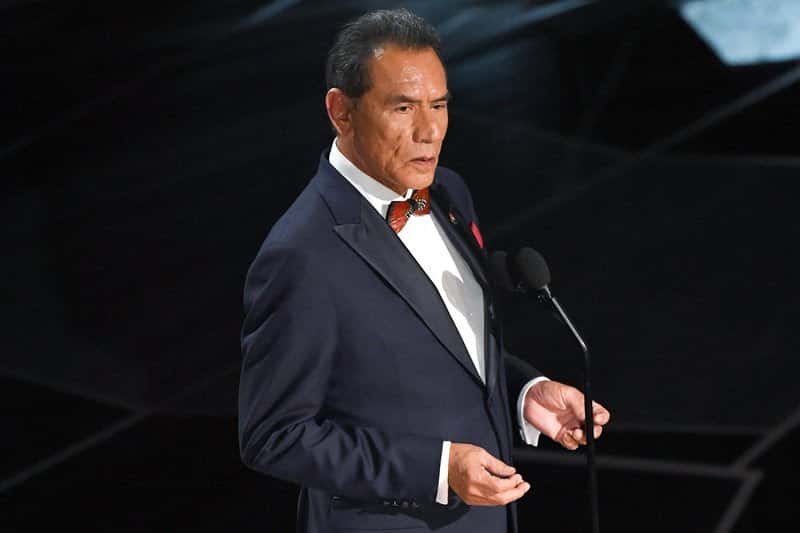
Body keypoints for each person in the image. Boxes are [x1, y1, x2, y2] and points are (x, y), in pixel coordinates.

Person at [238, 8, 610, 533]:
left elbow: (445, 349)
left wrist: (524, 393)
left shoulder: (449, 192)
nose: (430, 131)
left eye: (439, 105)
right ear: (341, 111)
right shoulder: (302, 254)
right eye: (404, 107)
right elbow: (274, 434)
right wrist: (437, 470)